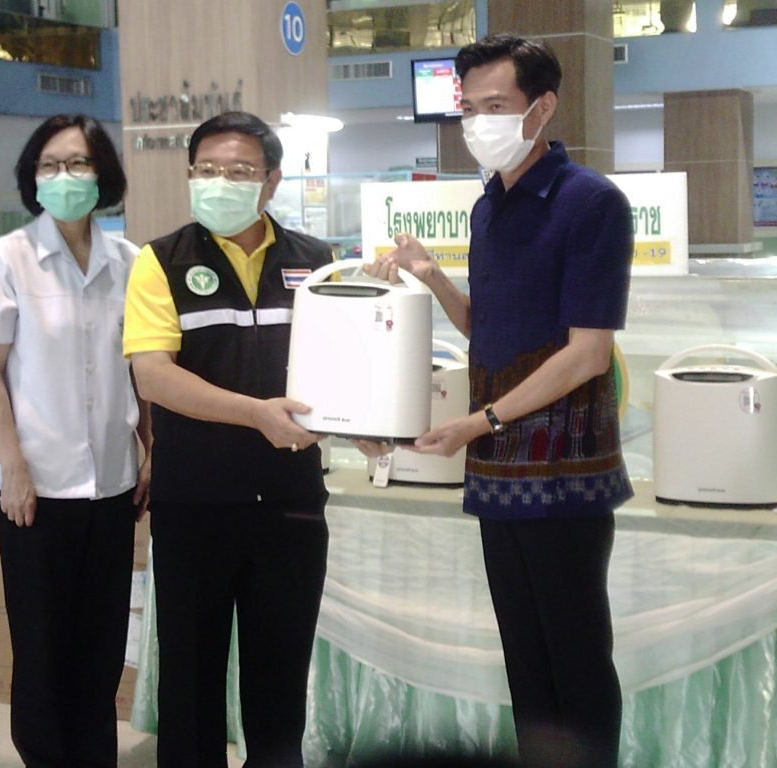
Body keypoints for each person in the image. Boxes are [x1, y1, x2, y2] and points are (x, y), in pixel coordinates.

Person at [360, 35, 633, 768]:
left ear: (542, 107)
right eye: (469, 109)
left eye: (495, 106)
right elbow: (490, 330)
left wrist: (478, 422)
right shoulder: (488, 208)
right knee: (526, 660)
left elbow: (588, 352)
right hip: (498, 471)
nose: (478, 123)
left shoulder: (591, 203)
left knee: (576, 658)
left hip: (565, 472)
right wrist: (431, 276)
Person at [123, 110, 331, 768]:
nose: (220, 182)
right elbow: (154, 377)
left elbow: (339, 364)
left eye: (239, 171)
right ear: (189, 175)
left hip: (292, 503)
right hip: (195, 505)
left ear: (271, 181)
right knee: (190, 684)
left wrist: (366, 424)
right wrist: (257, 415)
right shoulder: (161, 261)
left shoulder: (315, 262)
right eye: (207, 170)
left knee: (279, 686)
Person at [0, 114, 151, 768]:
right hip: (36, 487)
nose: (64, 176)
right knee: (42, 648)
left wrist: (149, 447)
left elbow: (140, 368)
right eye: (50, 165)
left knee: (102, 644)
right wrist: (10, 467)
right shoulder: (6, 258)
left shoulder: (131, 263)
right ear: (33, 177)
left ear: (103, 175)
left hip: (112, 481)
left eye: (78, 163)